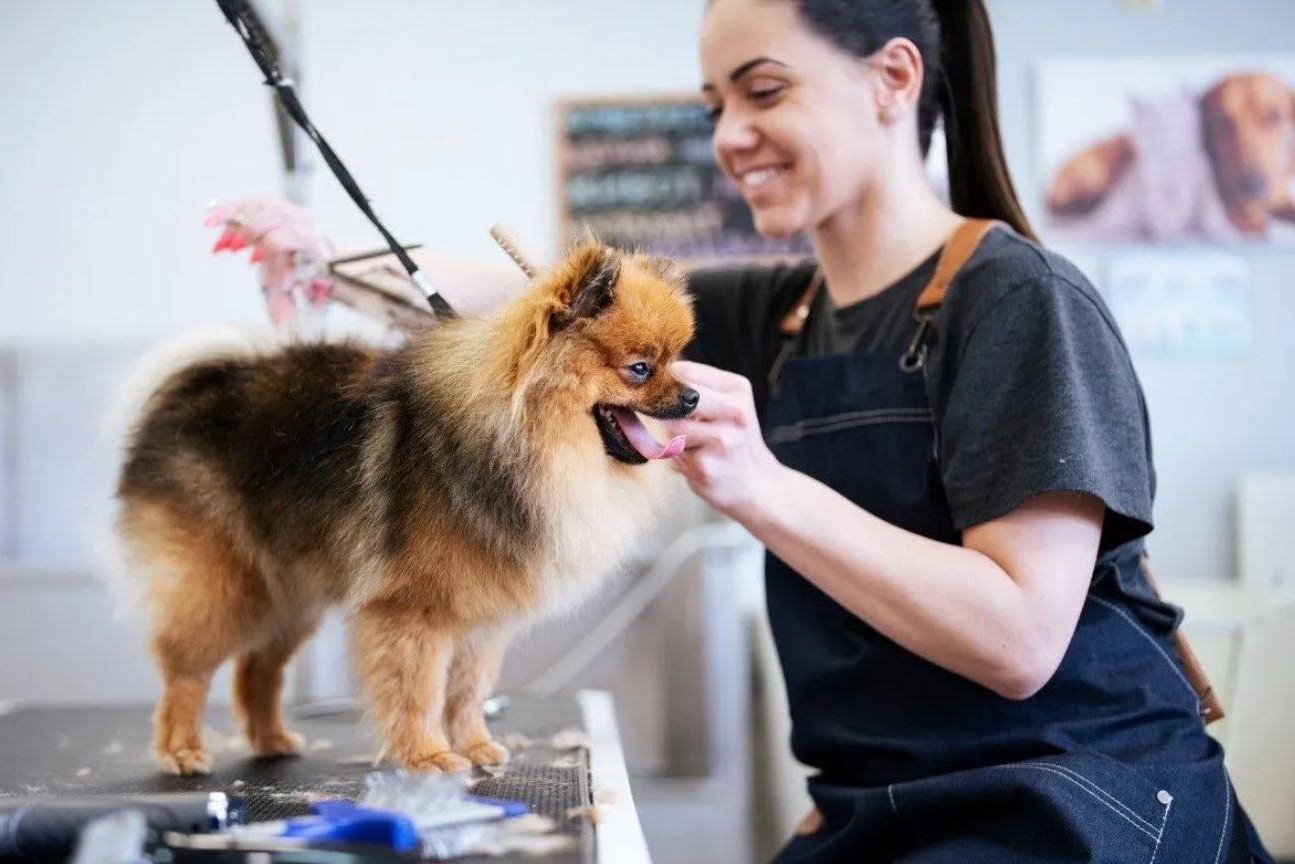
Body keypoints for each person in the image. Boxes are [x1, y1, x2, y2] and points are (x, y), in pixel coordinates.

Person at [211, 1, 1273, 859]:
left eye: (763, 92)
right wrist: (328, 257)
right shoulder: (783, 309)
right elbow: (519, 304)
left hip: (1078, 809)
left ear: (893, 78)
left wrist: (762, 485)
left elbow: (1019, 640)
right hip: (889, 809)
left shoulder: (1019, 302)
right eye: (715, 103)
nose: (727, 138)